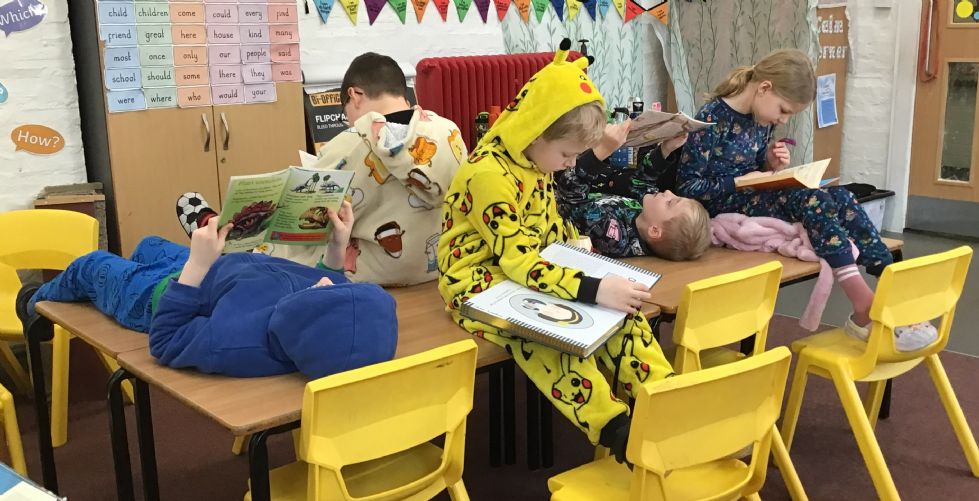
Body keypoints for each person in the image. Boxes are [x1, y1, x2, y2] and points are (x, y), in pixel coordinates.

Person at [438, 39, 674, 464]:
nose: (570, 164)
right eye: (567, 154)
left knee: (624, 316)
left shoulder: (534, 160)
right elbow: (519, 260)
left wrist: (583, 253)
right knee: (550, 337)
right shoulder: (488, 174)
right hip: (476, 282)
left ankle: (667, 399)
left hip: (533, 268)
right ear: (535, 132)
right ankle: (616, 429)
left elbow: (547, 226)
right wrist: (593, 287)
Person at [677, 48, 936, 351]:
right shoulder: (711, 118)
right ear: (764, 88)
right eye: (783, 110)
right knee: (812, 200)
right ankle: (862, 304)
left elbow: (753, 167)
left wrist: (771, 164)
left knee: (842, 196)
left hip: (753, 196)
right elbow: (687, 188)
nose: (783, 119)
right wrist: (740, 181)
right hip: (723, 205)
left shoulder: (762, 118)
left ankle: (894, 291)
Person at [20, 202, 398, 380]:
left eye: (326, 290)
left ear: (307, 323)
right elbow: (333, 297)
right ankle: (142, 266)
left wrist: (197, 267)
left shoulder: (237, 341)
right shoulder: (315, 309)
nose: (328, 282)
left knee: (90, 266)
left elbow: (166, 341)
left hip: (157, 297)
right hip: (216, 270)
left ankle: (35, 304)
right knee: (149, 244)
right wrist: (336, 249)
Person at [266, 52, 468, 286]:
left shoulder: (350, 144)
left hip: (369, 278)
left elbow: (301, 222)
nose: (349, 121)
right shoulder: (449, 131)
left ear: (354, 95)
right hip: (442, 265)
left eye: (346, 113)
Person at [554, 120, 711, 260]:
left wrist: (603, 150)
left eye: (670, 203)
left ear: (654, 231)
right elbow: (642, 181)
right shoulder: (646, 215)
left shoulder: (615, 238)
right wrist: (665, 149)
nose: (668, 193)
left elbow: (571, 195)